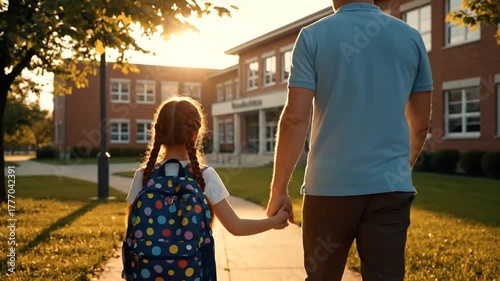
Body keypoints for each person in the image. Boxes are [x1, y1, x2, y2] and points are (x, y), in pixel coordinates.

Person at [266, 0, 433, 280]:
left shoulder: (313, 36)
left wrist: (279, 189)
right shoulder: (411, 37)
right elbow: (421, 125)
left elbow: (295, 120)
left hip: (328, 191)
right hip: (389, 191)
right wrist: (398, 170)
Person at [126, 96, 289, 280]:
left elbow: (132, 228)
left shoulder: (144, 176)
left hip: (146, 272)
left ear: (158, 133)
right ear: (195, 134)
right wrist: (275, 222)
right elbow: (237, 227)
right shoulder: (205, 176)